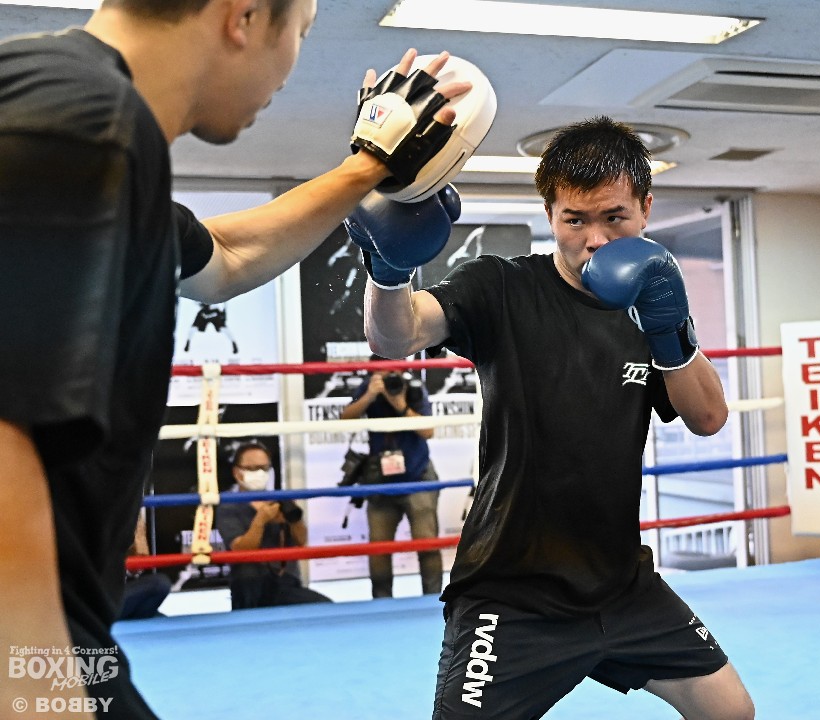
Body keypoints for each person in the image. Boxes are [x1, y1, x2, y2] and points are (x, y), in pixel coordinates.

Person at [0, 0, 472, 716]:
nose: (291, 66)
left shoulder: (73, 107)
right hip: (28, 642)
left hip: (63, 631)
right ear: (244, 16)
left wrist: (367, 168)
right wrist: (33, 687)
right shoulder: (81, 118)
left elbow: (223, 255)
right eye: (302, 33)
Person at [355, 117, 755, 719]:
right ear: (550, 215)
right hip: (512, 592)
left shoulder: (649, 301)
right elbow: (397, 335)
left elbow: (708, 417)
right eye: (575, 220)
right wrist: (388, 270)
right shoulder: (501, 287)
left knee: (731, 711)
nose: (595, 239)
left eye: (614, 217)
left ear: (645, 208)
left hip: (621, 587)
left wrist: (670, 329)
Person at [340, 357, 443, 598]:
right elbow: (344, 421)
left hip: (418, 476)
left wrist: (400, 404)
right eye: (382, 373)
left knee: (427, 544)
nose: (389, 378)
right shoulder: (368, 387)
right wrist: (369, 395)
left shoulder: (413, 387)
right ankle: (381, 604)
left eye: (393, 372)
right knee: (379, 548)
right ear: (373, 373)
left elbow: (428, 431)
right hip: (380, 480)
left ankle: (432, 601)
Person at [215, 441, 331, 609]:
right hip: (250, 587)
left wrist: (294, 520)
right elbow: (241, 549)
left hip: (285, 583)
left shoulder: (279, 499)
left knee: (324, 607)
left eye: (264, 468)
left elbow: (301, 541)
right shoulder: (228, 505)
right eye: (252, 468)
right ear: (236, 472)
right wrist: (260, 520)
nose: (259, 473)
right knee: (248, 574)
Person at [118, 510, 173, 620]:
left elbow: (136, 567)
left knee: (164, 621)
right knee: (159, 584)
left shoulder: (129, 516)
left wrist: (132, 567)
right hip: (99, 600)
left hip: (119, 595)